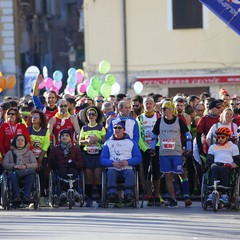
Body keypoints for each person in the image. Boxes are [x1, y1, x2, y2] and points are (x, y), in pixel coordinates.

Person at [151, 101, 192, 208]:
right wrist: (152, 148)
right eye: (162, 109)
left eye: (164, 109)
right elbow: (154, 136)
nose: (162, 111)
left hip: (177, 152)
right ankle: (173, 199)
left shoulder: (179, 120)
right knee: (168, 176)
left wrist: (188, 149)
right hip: (164, 153)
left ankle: (186, 196)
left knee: (181, 172)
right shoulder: (159, 121)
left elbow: (188, 135)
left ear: (170, 109)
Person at [100, 121, 142, 203]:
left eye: (119, 128)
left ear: (124, 130)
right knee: (110, 172)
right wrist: (112, 163)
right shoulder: (108, 143)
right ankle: (112, 194)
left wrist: (128, 162)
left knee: (130, 173)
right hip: (113, 166)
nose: (117, 129)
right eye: (115, 128)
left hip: (127, 166)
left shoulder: (131, 142)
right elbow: (102, 159)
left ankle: (128, 194)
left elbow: (138, 158)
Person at [137, 96, 162, 206]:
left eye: (150, 103)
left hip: (156, 146)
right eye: (146, 103)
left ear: (154, 104)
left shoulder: (158, 116)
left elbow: (161, 133)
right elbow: (138, 135)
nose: (148, 105)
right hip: (145, 148)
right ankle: (149, 194)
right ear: (143, 105)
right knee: (146, 171)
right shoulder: (140, 118)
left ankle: (157, 194)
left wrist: (156, 146)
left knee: (156, 172)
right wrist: (145, 148)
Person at [48, 129, 85, 205]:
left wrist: (75, 164)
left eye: (67, 136)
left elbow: (82, 162)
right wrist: (54, 164)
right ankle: (63, 192)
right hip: (60, 168)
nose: (64, 137)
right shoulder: (55, 149)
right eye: (63, 136)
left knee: (73, 172)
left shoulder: (75, 149)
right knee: (62, 172)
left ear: (70, 138)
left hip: (72, 168)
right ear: (60, 138)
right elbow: (50, 161)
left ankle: (75, 191)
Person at [79, 106, 106, 207]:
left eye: (93, 114)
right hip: (87, 154)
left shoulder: (100, 127)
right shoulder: (84, 128)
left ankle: (100, 198)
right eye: (89, 114)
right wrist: (86, 141)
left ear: (96, 116)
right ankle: (88, 198)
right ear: (87, 116)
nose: (91, 116)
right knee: (88, 176)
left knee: (97, 176)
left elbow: (104, 141)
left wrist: (96, 139)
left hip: (98, 153)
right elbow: (80, 142)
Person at [206, 127, 239, 204]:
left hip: (228, 165)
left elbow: (237, 160)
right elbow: (209, 159)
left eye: (222, 137)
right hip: (216, 164)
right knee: (214, 168)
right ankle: (212, 193)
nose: (220, 139)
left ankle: (225, 194)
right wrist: (210, 164)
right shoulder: (212, 147)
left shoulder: (233, 146)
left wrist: (235, 164)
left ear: (227, 137)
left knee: (223, 169)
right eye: (218, 137)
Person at [3, 134, 38, 202]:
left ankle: (26, 196)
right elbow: (5, 164)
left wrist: (25, 166)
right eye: (18, 140)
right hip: (13, 171)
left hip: (26, 171)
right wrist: (14, 166)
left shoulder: (29, 153)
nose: (20, 141)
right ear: (15, 142)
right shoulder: (10, 153)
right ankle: (16, 195)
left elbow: (35, 164)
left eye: (22, 140)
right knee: (13, 175)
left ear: (25, 142)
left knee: (31, 175)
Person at [28, 110, 50, 206]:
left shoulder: (45, 130)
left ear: (40, 119)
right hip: (29, 157)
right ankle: (31, 197)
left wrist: (40, 159)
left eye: (36, 116)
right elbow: (27, 143)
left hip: (41, 157)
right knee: (30, 176)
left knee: (42, 176)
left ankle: (41, 197)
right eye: (32, 116)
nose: (33, 118)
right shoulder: (28, 129)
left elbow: (46, 145)